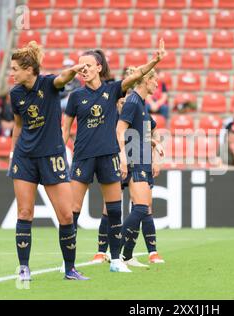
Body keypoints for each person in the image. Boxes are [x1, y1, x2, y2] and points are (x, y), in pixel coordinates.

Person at [62, 40, 167, 272]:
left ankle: (117, 259)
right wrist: (70, 148)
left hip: (109, 157)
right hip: (83, 158)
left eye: (88, 65)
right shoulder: (76, 97)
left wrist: (155, 60)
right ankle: (67, 262)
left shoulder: (112, 90)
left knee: (114, 209)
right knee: (72, 211)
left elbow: (137, 74)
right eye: (80, 66)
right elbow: (65, 129)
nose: (83, 69)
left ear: (99, 67)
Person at [8, 41, 89, 281]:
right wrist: (13, 155)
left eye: (15, 69)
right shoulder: (15, 94)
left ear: (29, 69)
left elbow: (63, 78)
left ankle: (70, 269)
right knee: (25, 212)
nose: (12, 73)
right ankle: (24, 268)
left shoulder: (48, 83)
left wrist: (75, 70)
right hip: (25, 158)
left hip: (52, 156)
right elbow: (18, 125)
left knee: (66, 215)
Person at [117, 68, 165, 269]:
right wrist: (122, 157)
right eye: (155, 80)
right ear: (146, 81)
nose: (157, 85)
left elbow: (149, 132)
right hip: (134, 160)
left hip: (143, 160)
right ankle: (115, 251)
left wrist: (155, 146)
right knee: (141, 208)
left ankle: (127, 256)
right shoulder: (133, 102)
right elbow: (120, 130)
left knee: (143, 209)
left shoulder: (141, 105)